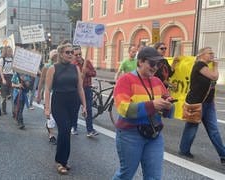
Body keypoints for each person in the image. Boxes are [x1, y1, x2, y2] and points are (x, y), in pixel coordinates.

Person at [112, 47, 175, 179]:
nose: (155, 67)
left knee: (154, 177)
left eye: (158, 64)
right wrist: (152, 105)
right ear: (140, 62)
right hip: (130, 135)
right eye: (152, 63)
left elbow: (167, 108)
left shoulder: (157, 82)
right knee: (126, 175)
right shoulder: (125, 80)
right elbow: (124, 109)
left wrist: (168, 105)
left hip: (154, 134)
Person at [44, 43, 87, 175]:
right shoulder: (53, 68)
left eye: (71, 52)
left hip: (73, 102)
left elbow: (80, 88)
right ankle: (59, 161)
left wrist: (84, 105)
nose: (70, 54)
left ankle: (64, 160)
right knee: (63, 130)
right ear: (60, 54)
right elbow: (47, 89)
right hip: (59, 102)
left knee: (67, 131)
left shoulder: (75, 68)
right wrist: (47, 107)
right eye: (67, 52)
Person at [179, 47, 225, 165]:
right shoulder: (199, 65)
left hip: (208, 104)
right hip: (197, 103)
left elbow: (211, 85)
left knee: (213, 130)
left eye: (213, 53)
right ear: (201, 55)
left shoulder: (205, 67)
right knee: (191, 128)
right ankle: (184, 150)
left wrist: (212, 101)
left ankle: (223, 155)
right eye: (210, 53)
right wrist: (215, 66)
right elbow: (215, 77)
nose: (212, 55)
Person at [71, 45, 98, 137]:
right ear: (73, 55)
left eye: (80, 54)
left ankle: (90, 130)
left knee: (88, 109)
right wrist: (78, 75)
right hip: (76, 90)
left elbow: (94, 73)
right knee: (75, 109)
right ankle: (74, 127)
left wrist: (87, 71)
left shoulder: (87, 62)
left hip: (87, 89)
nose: (78, 56)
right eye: (76, 55)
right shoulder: (72, 64)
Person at [36, 49, 58, 145]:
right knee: (50, 113)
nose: (56, 57)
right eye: (54, 56)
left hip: (59, 93)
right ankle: (51, 135)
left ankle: (51, 127)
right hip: (49, 93)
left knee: (58, 113)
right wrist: (39, 94)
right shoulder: (46, 67)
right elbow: (41, 81)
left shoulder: (62, 66)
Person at [0, 46, 14, 115]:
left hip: (12, 77)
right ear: (6, 52)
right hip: (5, 76)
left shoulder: (13, 59)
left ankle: (14, 111)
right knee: (3, 95)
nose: (10, 52)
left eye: (11, 51)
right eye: (8, 51)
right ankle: (3, 109)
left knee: (13, 95)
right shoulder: (2, 59)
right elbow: (1, 70)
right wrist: (3, 79)